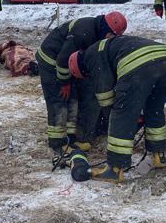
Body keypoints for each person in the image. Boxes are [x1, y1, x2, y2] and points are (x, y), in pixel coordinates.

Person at [69, 35, 166, 183]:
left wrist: (114, 121)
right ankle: (160, 156)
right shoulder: (106, 46)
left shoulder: (91, 57)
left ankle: (115, 169)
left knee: (121, 113)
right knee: (154, 109)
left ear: (81, 69)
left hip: (139, 63)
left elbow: (106, 96)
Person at [36, 13, 128, 164]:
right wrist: (64, 82)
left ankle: (71, 137)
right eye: (112, 35)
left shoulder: (99, 34)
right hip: (51, 61)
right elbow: (62, 59)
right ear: (107, 29)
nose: (111, 39)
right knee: (58, 100)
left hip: (68, 63)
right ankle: (57, 143)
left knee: (72, 98)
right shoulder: (84, 32)